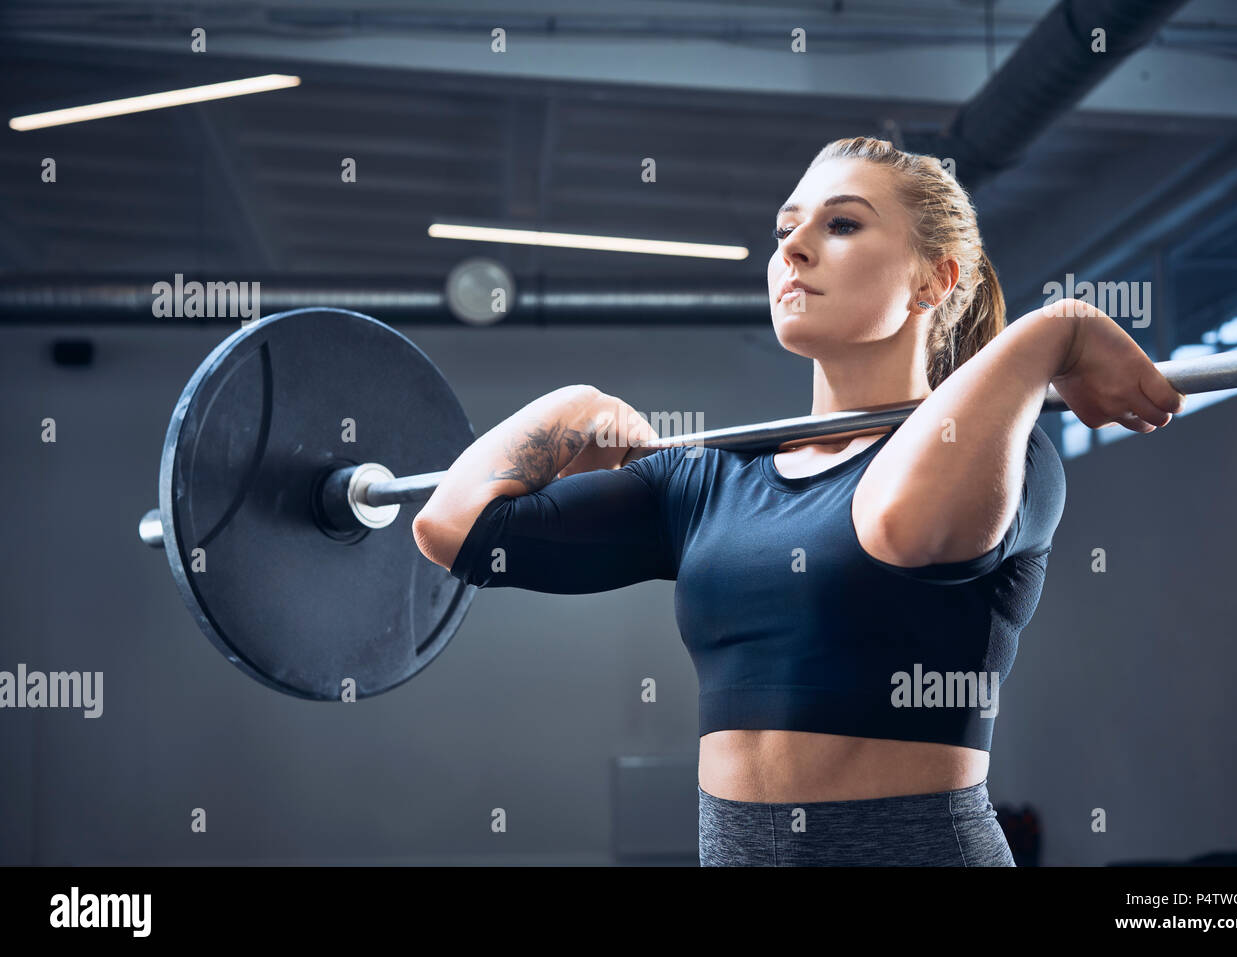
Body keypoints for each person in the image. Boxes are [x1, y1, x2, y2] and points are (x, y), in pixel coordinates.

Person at [412, 136, 1184, 866]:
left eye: (842, 223)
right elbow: (455, 528)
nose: (793, 247)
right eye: (785, 229)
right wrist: (572, 405)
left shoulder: (1012, 452)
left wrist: (1052, 334)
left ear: (934, 279)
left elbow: (898, 527)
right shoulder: (706, 479)